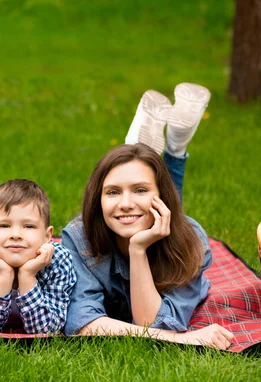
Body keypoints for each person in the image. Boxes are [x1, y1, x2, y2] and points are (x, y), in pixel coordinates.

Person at [63, 83, 235, 350]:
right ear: (97, 199)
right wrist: (182, 339)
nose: (125, 203)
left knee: (162, 204)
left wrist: (138, 249)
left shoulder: (192, 241)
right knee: (139, 187)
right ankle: (169, 146)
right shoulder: (79, 238)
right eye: (112, 192)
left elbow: (151, 322)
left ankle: (172, 145)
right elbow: (84, 323)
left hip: (167, 227)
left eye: (140, 190)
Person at [0, 179, 76, 334]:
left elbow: (47, 329)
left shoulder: (59, 261)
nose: (15, 235)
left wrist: (27, 275)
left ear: (48, 236)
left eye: (28, 226)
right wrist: (3, 275)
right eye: (4, 225)